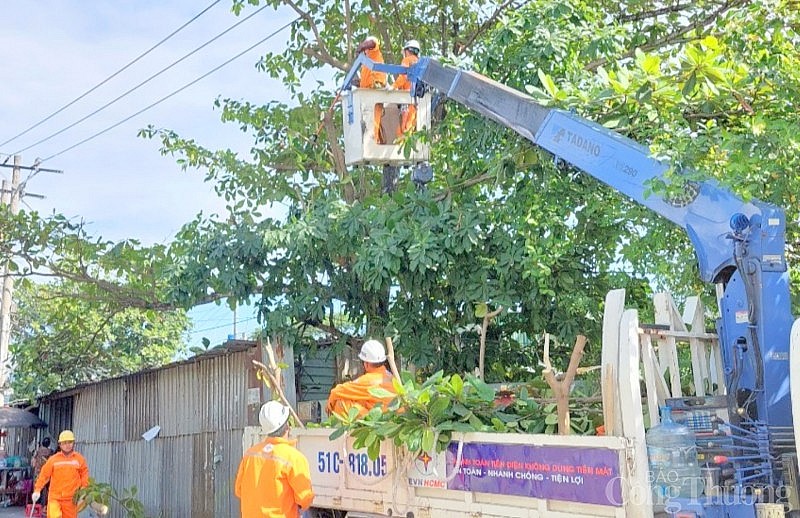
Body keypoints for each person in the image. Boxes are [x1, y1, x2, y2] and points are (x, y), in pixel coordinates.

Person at [235, 401, 314, 518]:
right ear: (287, 426)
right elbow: (305, 499)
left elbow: (238, 490)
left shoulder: (250, 455)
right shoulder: (294, 458)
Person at [326, 339, 397, 418]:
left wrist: (330, 402)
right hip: (394, 419)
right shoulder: (391, 376)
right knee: (360, 398)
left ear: (366, 364)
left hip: (380, 420)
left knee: (341, 402)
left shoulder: (368, 381)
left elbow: (337, 391)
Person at [32, 430, 89, 518]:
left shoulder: (79, 459)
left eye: (70, 442)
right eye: (64, 443)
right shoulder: (53, 460)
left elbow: (84, 476)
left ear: (73, 443)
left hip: (71, 500)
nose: (67, 445)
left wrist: (84, 491)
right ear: (60, 444)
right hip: (55, 498)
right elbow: (44, 475)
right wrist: (37, 490)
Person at [355, 36, 387, 143]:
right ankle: (374, 141)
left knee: (372, 122)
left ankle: (372, 144)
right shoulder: (366, 63)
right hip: (368, 93)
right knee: (370, 122)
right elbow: (365, 81)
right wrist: (357, 83)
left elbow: (373, 42)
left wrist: (361, 47)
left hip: (375, 90)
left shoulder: (374, 53)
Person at [392, 39, 421, 137]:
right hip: (417, 99)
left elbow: (403, 77)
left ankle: (402, 143)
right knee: (412, 124)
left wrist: (393, 87)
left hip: (407, 97)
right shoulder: (420, 63)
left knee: (404, 127)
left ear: (407, 51)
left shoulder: (407, 60)